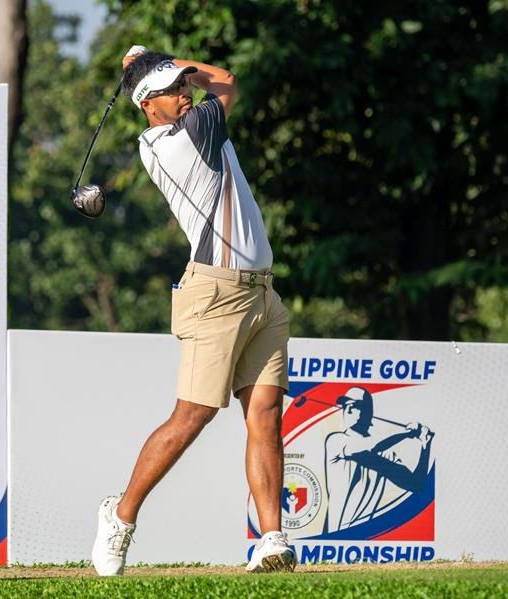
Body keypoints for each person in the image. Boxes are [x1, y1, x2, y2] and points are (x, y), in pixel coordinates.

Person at [90, 46, 296, 576]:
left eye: (185, 85)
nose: (186, 93)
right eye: (173, 88)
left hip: (261, 293)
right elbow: (225, 80)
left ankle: (272, 539)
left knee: (266, 415)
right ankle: (121, 515)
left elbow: (214, 85)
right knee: (192, 416)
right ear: (147, 105)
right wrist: (158, 58)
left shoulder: (188, 122)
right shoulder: (185, 137)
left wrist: (157, 64)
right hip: (216, 295)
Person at [323, 386, 433, 532]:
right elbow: (370, 446)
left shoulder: (384, 453)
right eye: (345, 406)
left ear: (369, 412)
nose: (347, 410)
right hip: (335, 537)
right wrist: (405, 433)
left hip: (366, 538)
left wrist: (425, 447)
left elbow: (416, 484)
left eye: (354, 406)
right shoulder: (336, 441)